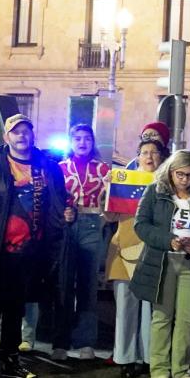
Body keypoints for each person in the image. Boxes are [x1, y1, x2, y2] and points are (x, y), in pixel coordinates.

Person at [0, 114, 65, 378]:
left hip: (31, 254)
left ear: (33, 136)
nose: (22, 136)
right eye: (15, 131)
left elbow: (59, 205)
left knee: (15, 310)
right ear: (6, 137)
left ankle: (10, 360)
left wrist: (69, 215)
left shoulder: (49, 168)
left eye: (26, 131)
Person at [134, 150, 190, 378]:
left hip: (189, 264)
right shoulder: (155, 192)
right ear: (170, 172)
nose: (185, 180)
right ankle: (158, 372)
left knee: (186, 320)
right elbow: (141, 225)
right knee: (162, 317)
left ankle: (180, 372)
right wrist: (169, 240)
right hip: (163, 262)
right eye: (180, 174)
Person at [108, 136, 165, 378]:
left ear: (162, 157)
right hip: (125, 248)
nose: (149, 156)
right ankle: (125, 358)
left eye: (154, 152)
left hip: (153, 250)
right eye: (144, 152)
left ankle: (149, 359)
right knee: (125, 307)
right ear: (137, 157)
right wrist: (108, 193)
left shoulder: (167, 185)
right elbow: (109, 217)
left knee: (150, 309)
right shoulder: (123, 182)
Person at [54, 122, 110, 361]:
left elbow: (114, 198)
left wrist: (106, 215)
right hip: (67, 227)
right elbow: (52, 199)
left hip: (91, 224)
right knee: (63, 285)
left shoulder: (104, 169)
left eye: (87, 138)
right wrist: (61, 214)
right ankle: (60, 343)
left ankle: (86, 342)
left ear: (93, 142)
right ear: (71, 141)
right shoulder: (59, 168)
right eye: (77, 138)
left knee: (87, 286)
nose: (82, 142)